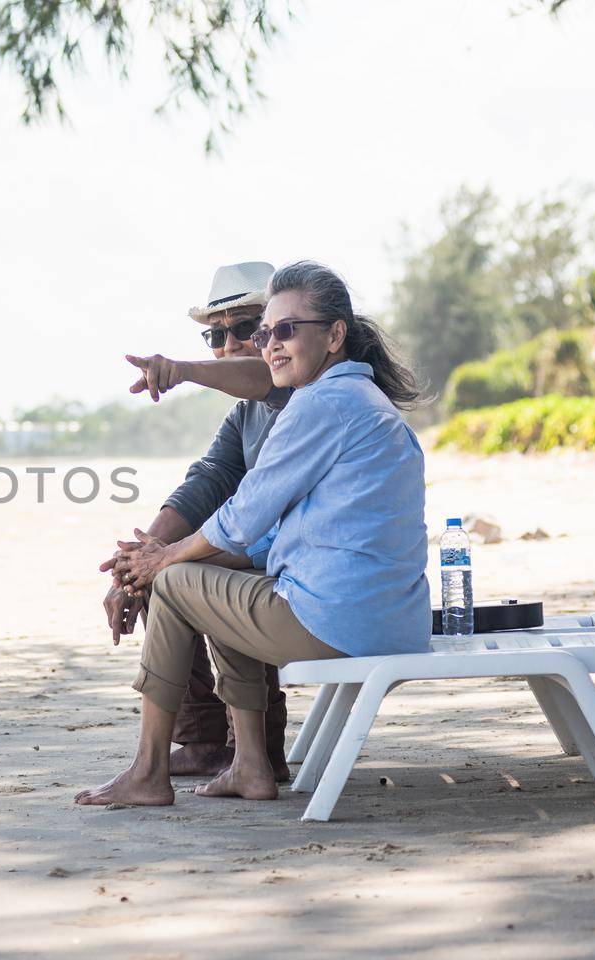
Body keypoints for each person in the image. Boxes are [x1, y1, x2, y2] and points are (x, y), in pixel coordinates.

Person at [78, 260, 428, 806]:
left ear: (335, 335)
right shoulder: (346, 397)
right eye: (261, 333)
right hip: (380, 617)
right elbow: (216, 489)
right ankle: (247, 763)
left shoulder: (317, 402)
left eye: (274, 330)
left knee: (176, 582)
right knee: (196, 572)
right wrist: (153, 556)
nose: (264, 346)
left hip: (339, 620)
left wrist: (163, 563)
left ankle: (150, 769)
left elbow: (241, 517)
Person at [103, 260, 295, 780]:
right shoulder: (245, 414)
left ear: (280, 330)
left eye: (245, 329)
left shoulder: (298, 387)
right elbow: (206, 480)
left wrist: (183, 369)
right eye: (217, 335)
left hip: (300, 572)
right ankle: (208, 739)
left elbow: (260, 376)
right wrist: (140, 557)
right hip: (269, 559)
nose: (230, 344)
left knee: (191, 570)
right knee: (155, 568)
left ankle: (258, 747)